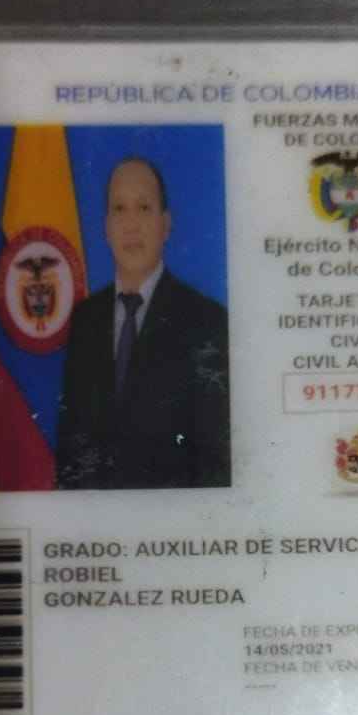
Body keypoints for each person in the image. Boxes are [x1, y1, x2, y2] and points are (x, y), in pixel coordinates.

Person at [56, 156, 231, 489]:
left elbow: (216, 465)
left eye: (144, 208)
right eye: (119, 209)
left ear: (166, 224)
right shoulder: (84, 321)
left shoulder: (207, 322)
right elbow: (71, 455)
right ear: (106, 226)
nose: (131, 225)